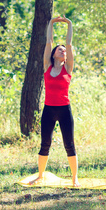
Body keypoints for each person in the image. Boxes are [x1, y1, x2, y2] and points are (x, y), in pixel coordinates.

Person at [30, 16, 80, 187]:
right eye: (59, 49)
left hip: (65, 110)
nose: (62, 50)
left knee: (69, 144)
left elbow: (69, 44)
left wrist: (69, 25)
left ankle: (75, 179)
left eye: (63, 50)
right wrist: (50, 23)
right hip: (49, 110)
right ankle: (40, 175)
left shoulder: (68, 68)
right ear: (53, 54)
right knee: (45, 143)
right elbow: (48, 42)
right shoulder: (47, 66)